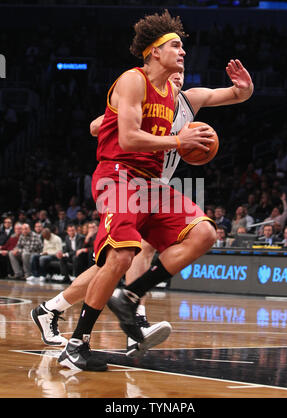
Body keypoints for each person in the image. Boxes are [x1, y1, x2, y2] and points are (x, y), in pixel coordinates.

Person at [31, 10, 253, 371]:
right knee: (121, 256)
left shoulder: (182, 96)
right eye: (175, 47)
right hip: (118, 175)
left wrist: (245, 90)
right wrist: (178, 138)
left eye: (184, 49)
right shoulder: (133, 81)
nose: (183, 54)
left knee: (205, 233)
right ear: (154, 52)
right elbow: (124, 135)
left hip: (153, 183)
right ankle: (79, 342)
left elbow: (229, 95)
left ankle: (131, 296)